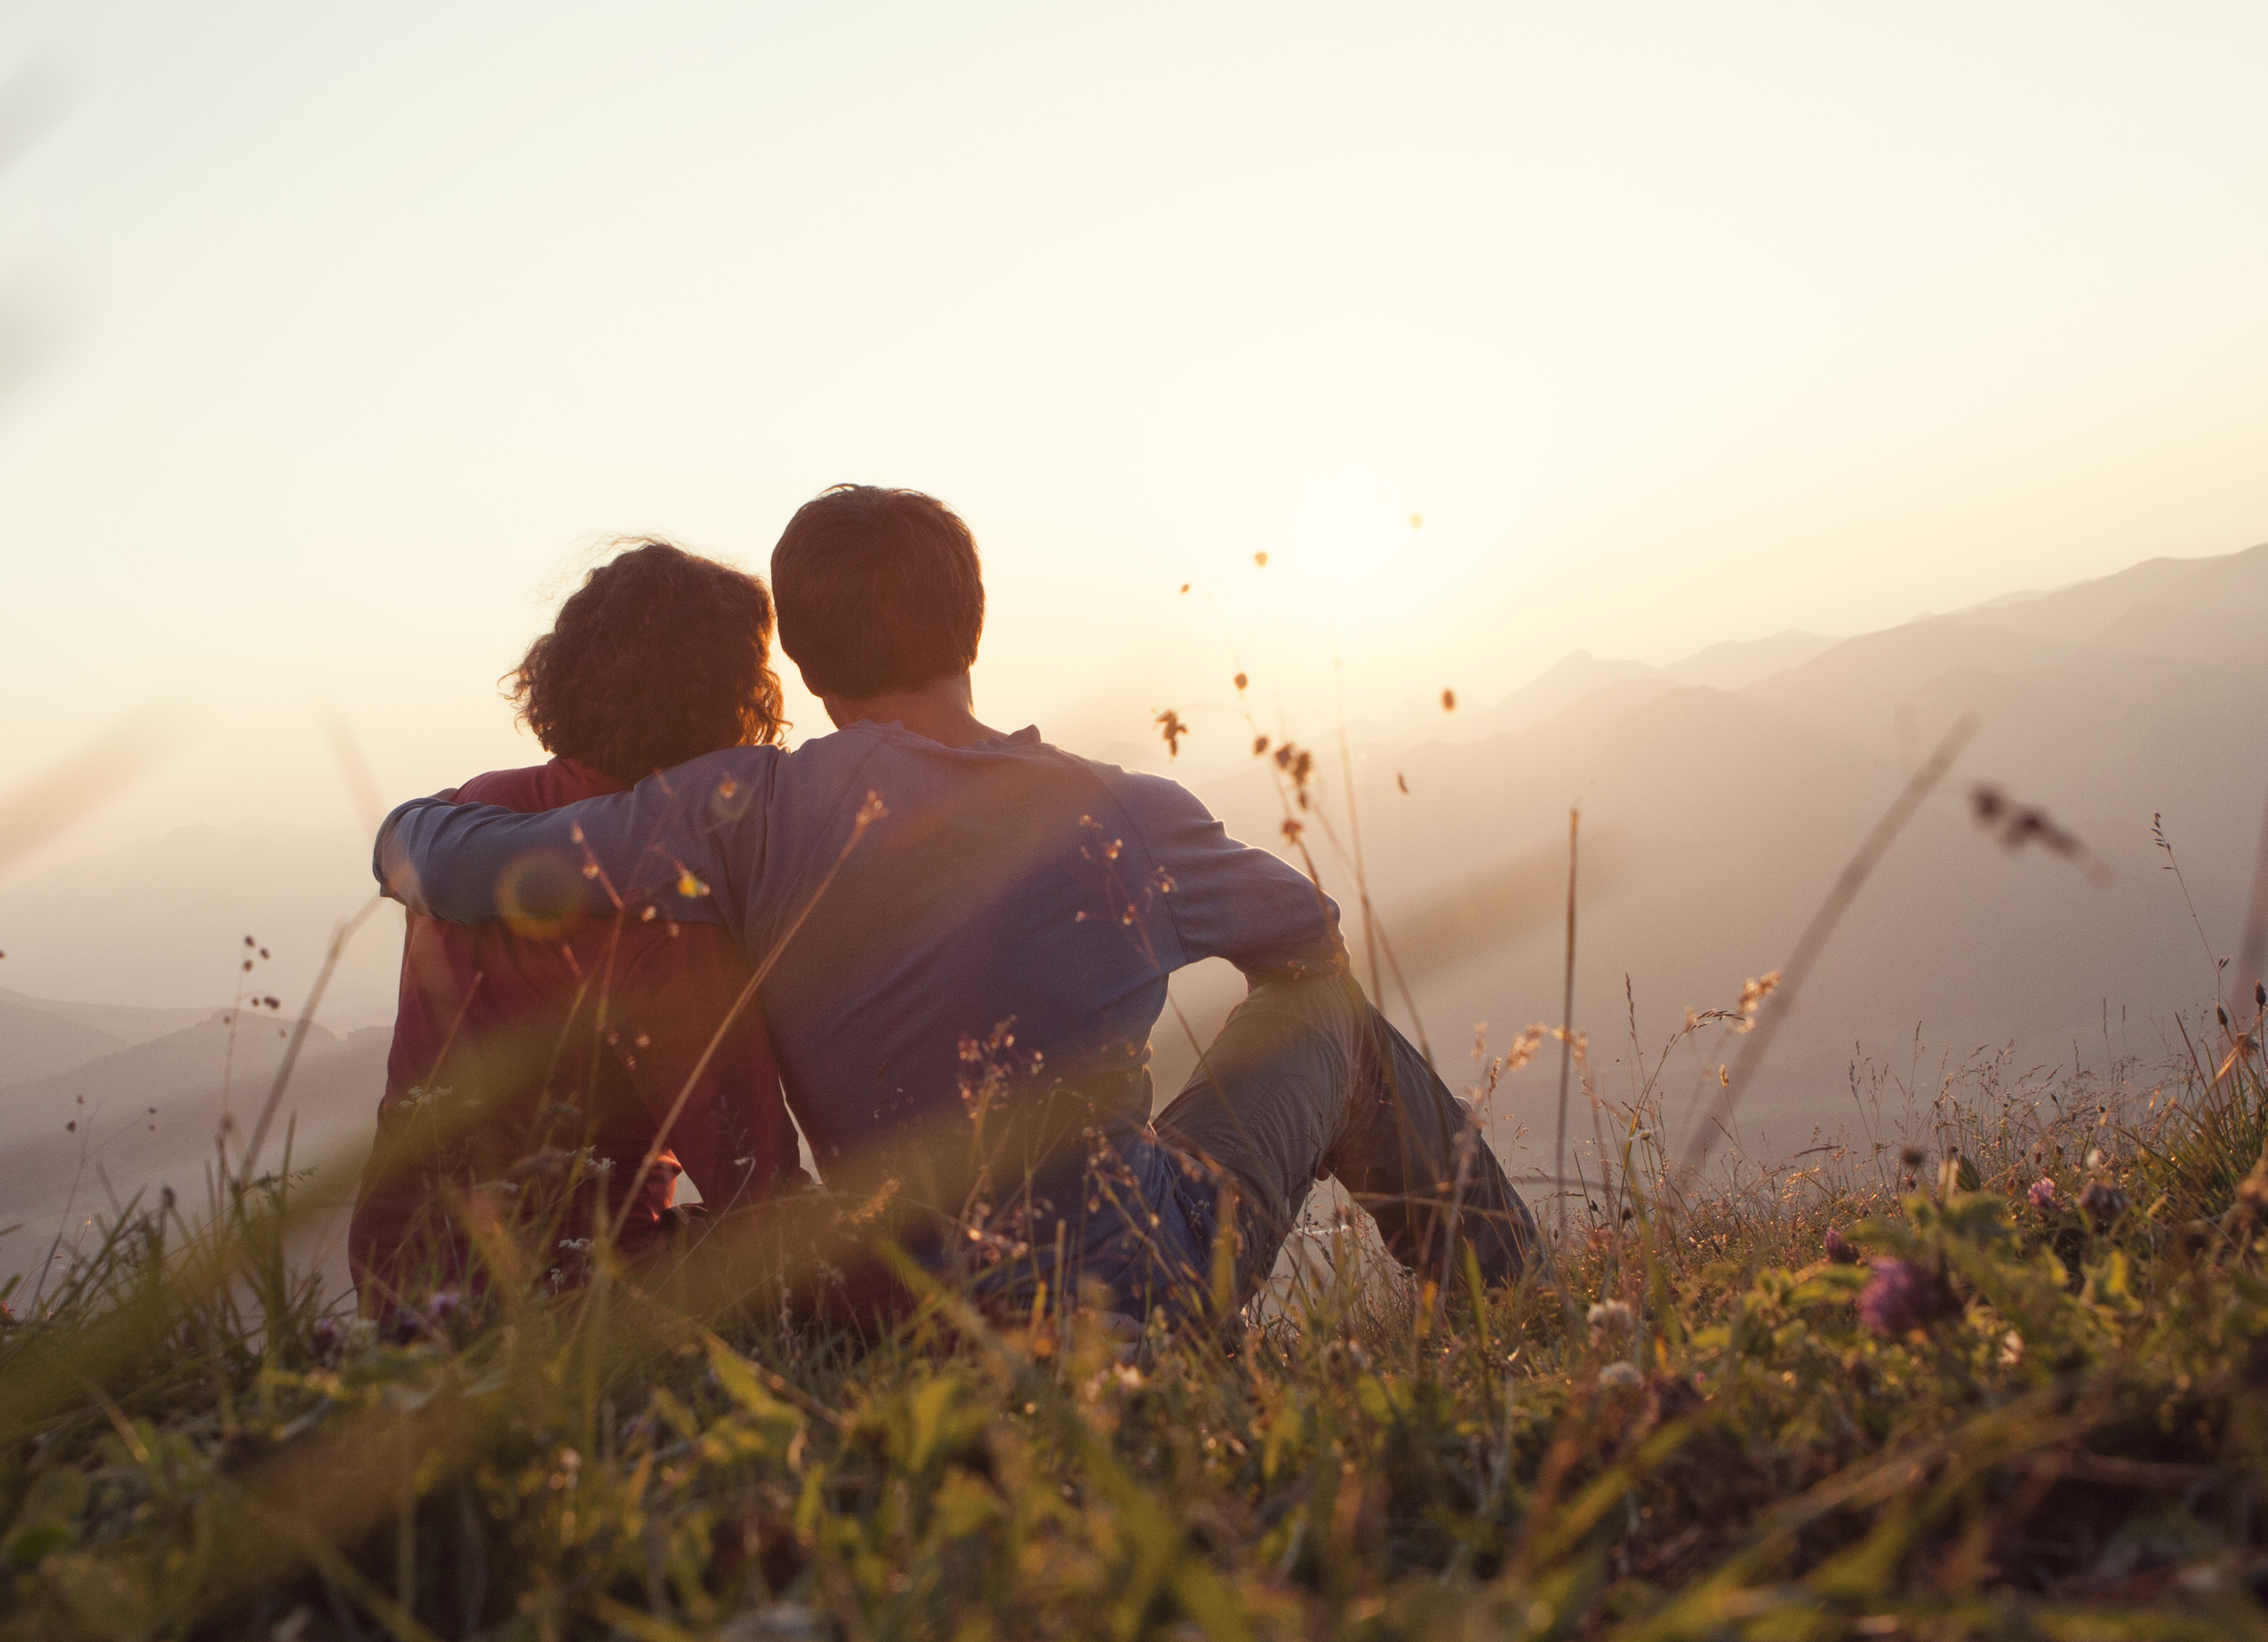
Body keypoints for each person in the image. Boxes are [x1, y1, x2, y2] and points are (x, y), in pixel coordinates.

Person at [370, 486, 1534, 1324]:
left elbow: (463, 864)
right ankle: (1518, 1303)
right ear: (975, 619)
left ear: (811, 666)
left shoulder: (741, 811)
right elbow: (1307, 936)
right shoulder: (1122, 810)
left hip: (911, 1293)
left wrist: (407, 826)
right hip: (1139, 1285)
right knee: (1333, 1019)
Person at [350, 541, 799, 1317]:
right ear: (736, 700)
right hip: (570, 1299)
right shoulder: (667, 911)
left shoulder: (474, 811)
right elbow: (756, 1192)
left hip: (399, 1281)